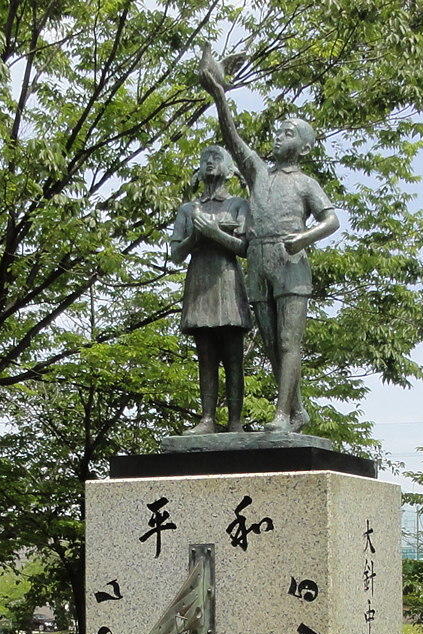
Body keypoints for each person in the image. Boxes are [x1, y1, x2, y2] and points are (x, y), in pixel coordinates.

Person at [195, 48, 339, 433]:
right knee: (272, 344)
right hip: (259, 259)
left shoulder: (306, 183)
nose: (279, 137)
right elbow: (232, 136)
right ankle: (296, 409)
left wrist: (303, 238)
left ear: (305, 147)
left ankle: (283, 415)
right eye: (278, 132)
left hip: (292, 263)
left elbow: (332, 220)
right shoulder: (258, 172)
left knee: (290, 342)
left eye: (288, 133)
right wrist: (220, 97)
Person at [168, 145, 251, 434]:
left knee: (232, 357)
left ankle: (235, 421)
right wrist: (195, 235)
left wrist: (215, 233)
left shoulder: (239, 205)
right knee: (205, 355)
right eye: (205, 159)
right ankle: (207, 418)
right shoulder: (189, 209)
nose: (209, 163)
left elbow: (245, 248)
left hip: (228, 283)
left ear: (229, 168)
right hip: (200, 284)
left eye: (216, 158)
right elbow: (176, 254)